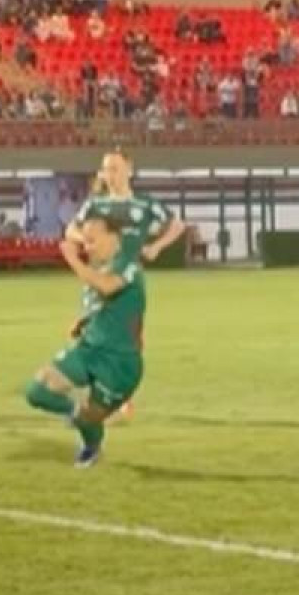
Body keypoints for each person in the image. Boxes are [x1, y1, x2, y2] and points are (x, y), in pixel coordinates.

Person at [64, 151, 186, 422]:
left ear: (129, 169)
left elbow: (177, 225)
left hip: (130, 282)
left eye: (116, 168)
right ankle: (96, 392)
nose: (111, 174)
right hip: (100, 282)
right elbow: (70, 230)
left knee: (130, 340)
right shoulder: (95, 206)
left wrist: (156, 246)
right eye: (107, 169)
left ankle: (120, 396)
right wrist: (84, 238)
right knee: (93, 335)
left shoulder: (144, 205)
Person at [22, 205, 147, 469]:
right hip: (89, 350)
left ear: (115, 238)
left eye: (92, 240)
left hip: (120, 364)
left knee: (90, 420)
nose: (87, 247)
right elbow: (101, 301)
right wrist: (84, 321)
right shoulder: (100, 266)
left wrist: (72, 259)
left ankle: (92, 445)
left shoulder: (128, 266)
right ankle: (77, 413)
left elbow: (107, 286)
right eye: (85, 240)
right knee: (37, 391)